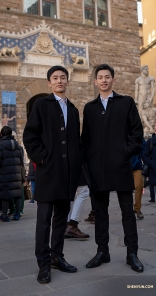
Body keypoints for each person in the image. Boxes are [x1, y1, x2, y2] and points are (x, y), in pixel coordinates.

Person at [81, 64, 144, 272]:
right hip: (98, 168)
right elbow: (86, 138)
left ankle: (132, 253)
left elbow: (137, 133)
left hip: (122, 165)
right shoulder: (90, 108)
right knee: (100, 211)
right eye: (100, 77)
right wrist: (89, 159)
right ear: (95, 82)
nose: (104, 80)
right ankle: (102, 251)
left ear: (113, 80)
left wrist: (124, 152)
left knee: (128, 210)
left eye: (108, 77)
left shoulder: (126, 102)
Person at [23, 65, 82, 284]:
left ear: (67, 81)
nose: (59, 81)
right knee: (44, 221)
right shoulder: (41, 104)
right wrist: (43, 159)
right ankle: (44, 263)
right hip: (48, 173)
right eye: (55, 78)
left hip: (67, 175)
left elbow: (76, 142)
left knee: (60, 220)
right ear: (49, 83)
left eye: (62, 78)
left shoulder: (73, 109)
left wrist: (76, 167)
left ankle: (57, 256)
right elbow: (30, 136)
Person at [0, 126, 23, 222]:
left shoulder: (1, 146)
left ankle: (5, 215)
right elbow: (21, 160)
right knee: (17, 194)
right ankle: (17, 214)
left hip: (5, 173)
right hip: (17, 173)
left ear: (2, 134)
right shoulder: (17, 145)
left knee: (5, 194)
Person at [65, 163, 90, 239]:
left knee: (68, 192)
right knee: (83, 191)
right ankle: (72, 225)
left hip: (62, 161)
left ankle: (66, 225)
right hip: (74, 160)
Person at [130, 138, 146, 219]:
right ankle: (128, 209)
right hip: (125, 167)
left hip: (137, 166)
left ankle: (137, 208)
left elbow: (144, 150)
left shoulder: (139, 137)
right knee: (126, 189)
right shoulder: (122, 133)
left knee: (139, 185)